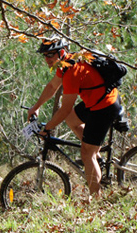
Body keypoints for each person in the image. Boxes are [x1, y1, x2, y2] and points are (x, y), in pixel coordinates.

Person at [27, 36, 122, 198]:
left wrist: (47, 128)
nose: (46, 59)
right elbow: (52, 86)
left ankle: (97, 200)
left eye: (50, 54)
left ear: (62, 52)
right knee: (72, 118)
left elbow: (64, 109)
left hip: (104, 105)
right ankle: (96, 155)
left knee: (86, 153)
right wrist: (35, 107)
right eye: (45, 55)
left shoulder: (71, 72)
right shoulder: (64, 64)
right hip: (96, 100)